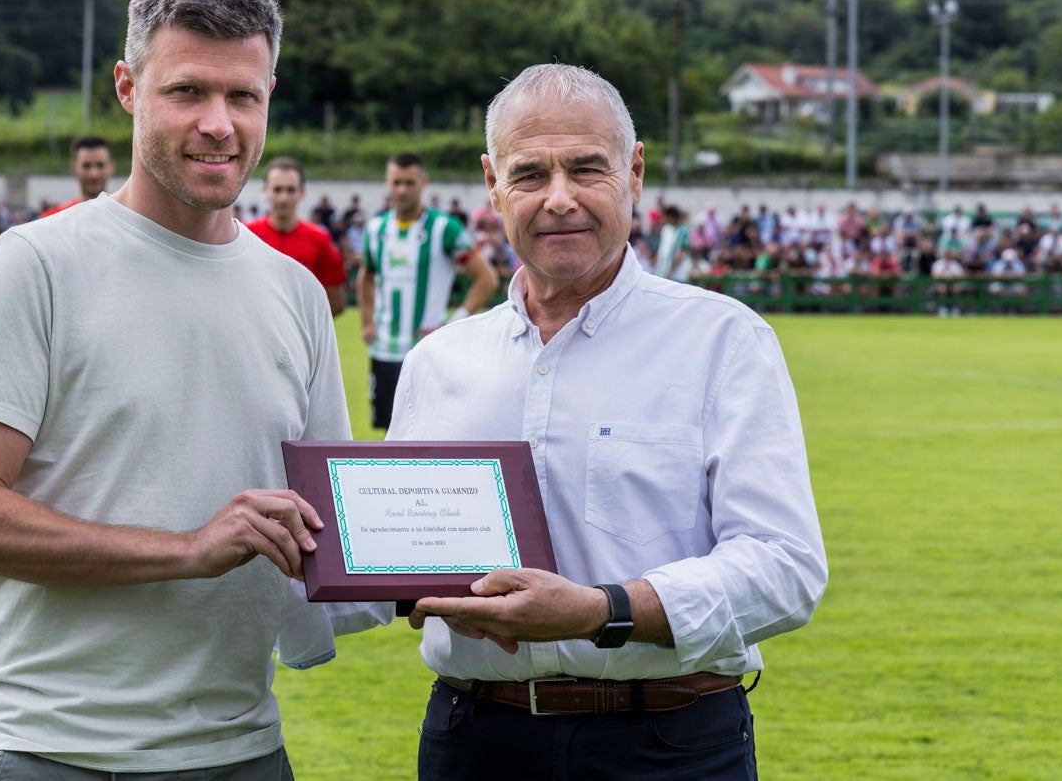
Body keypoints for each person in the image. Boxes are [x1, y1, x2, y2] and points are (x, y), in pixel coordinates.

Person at [0, 0, 390, 781]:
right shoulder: (39, 263)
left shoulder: (296, 293)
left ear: (269, 97)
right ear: (128, 88)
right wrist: (185, 548)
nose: (219, 122)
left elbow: (325, 529)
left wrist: (459, 572)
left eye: (241, 95)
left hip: (242, 746)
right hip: (47, 746)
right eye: (187, 91)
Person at [389, 64, 827, 780]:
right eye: (529, 174)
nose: (559, 199)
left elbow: (784, 569)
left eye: (586, 168)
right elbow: (398, 557)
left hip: (667, 743)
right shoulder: (439, 361)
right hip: (476, 739)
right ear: (491, 185)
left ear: (634, 171)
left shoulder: (722, 341)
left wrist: (599, 610)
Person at [357, 153, 497, 429]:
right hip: (384, 351)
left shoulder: (444, 228)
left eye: (409, 183)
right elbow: (366, 277)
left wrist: (453, 324)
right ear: (387, 182)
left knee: (433, 432)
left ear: (424, 182)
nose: (401, 190)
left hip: (428, 351)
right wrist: (366, 320)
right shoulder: (376, 229)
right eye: (396, 182)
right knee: (389, 437)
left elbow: (486, 279)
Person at [245, 156, 348, 316]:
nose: (284, 197)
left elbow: (336, 302)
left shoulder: (319, 239)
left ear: (301, 193)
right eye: (277, 189)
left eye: (291, 190)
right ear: (265, 190)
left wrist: (305, 327)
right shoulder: (246, 235)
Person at [41, 135, 117, 217]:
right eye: (86, 166)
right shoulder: (53, 218)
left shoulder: (125, 216)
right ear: (73, 167)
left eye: (100, 165)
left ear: (111, 167)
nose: (94, 174)